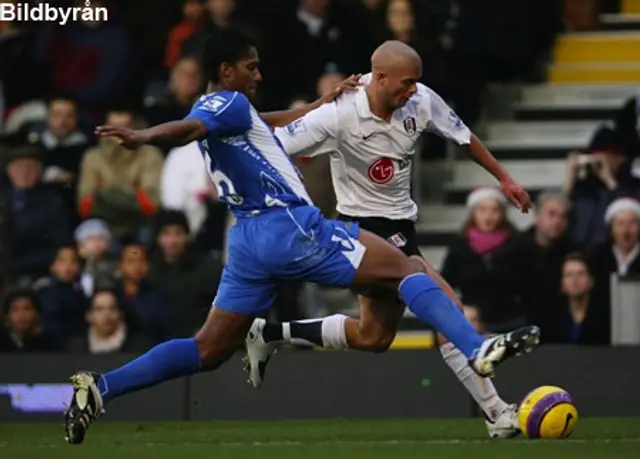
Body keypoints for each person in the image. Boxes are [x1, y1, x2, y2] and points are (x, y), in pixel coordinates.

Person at [62, 29, 539, 445]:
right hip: (289, 227)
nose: (258, 75)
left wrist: (315, 105)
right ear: (226, 70)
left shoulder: (231, 108)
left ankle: (101, 387)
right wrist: (147, 136)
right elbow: (192, 127)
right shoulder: (222, 104)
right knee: (410, 269)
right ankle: (477, 350)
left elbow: (258, 124)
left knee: (208, 349)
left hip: (247, 242)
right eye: (250, 68)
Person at [245, 41, 536, 438]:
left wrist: (504, 178)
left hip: (400, 225)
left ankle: (269, 334)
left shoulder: (421, 100)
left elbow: (464, 137)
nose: (413, 91)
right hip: (360, 230)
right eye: (406, 83)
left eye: (416, 83)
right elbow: (270, 143)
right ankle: (495, 408)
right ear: (379, 78)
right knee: (443, 302)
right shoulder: (336, 114)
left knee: (375, 336)